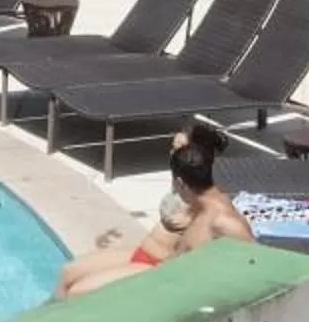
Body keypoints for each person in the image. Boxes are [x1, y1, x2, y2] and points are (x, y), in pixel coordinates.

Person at [53, 122, 254, 301]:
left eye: (178, 149)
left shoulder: (219, 217)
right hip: (146, 255)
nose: (172, 154)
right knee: (67, 272)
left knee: (77, 292)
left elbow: (252, 261)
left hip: (157, 271)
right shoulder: (195, 199)